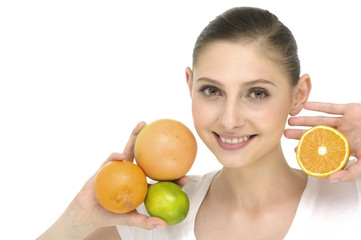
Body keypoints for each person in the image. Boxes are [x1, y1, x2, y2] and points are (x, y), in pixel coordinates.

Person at [37, 7, 361, 240]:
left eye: (257, 93)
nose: (230, 119)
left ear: (298, 94)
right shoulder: (152, 219)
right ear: (190, 85)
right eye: (212, 90)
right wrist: (78, 218)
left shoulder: (354, 200)